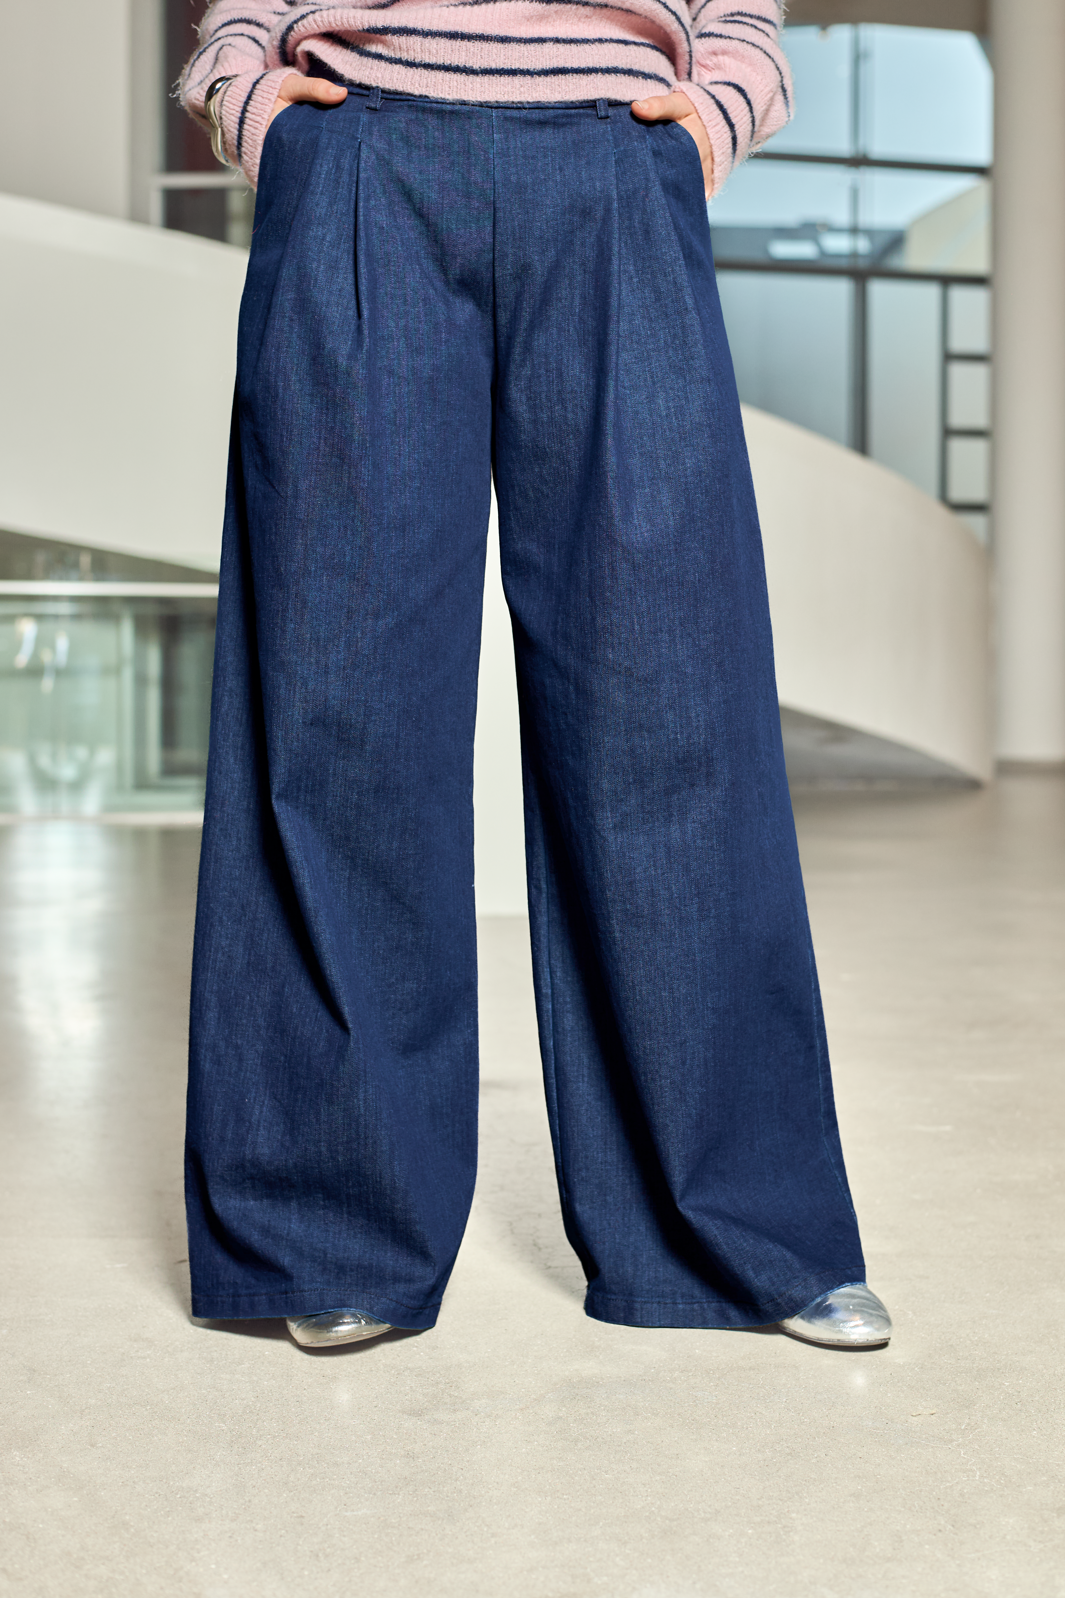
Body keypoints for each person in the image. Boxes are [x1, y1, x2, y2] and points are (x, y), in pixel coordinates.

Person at [180, 0, 892, 1353]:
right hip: (359, 157)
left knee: (672, 701)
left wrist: (716, 109)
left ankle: (738, 1230)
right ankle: (333, 1226)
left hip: (618, 165)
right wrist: (254, 104)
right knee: (339, 708)